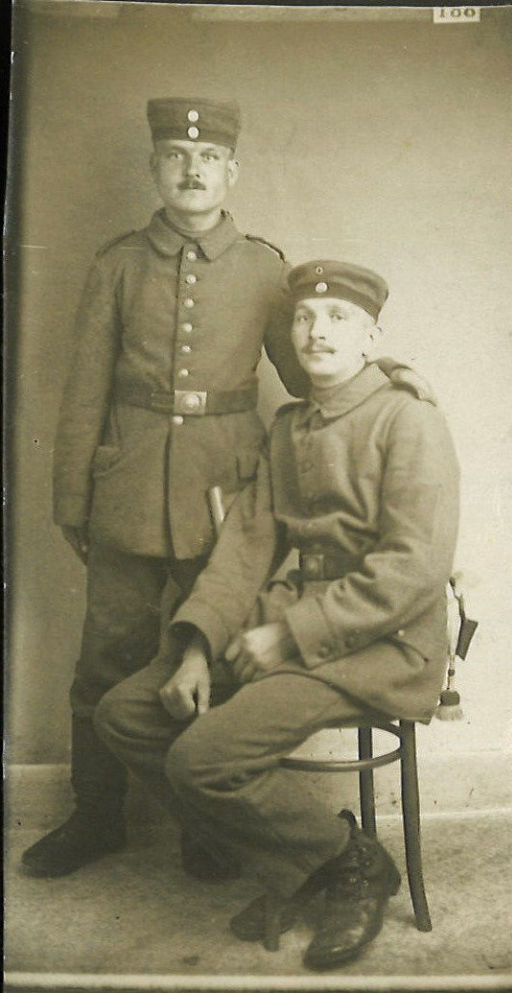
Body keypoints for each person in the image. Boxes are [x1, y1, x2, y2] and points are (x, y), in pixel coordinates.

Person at [94, 260, 460, 971]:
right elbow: (246, 545)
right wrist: (199, 644)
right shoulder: (291, 425)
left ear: (371, 336)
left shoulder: (407, 418)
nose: (317, 330)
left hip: (384, 643)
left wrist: (290, 632)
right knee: (126, 711)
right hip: (296, 626)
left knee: (201, 757)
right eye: (303, 317)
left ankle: (351, 864)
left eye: (338, 318)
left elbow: (412, 569)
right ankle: (309, 860)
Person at [22, 96, 311, 880]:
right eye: (176, 159)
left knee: (211, 658)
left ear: (231, 171)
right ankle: (96, 814)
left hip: (224, 494)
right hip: (125, 486)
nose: (192, 171)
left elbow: (309, 375)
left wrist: (385, 390)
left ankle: (204, 822)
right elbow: (84, 389)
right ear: (154, 169)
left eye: (208, 159)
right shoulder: (118, 263)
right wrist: (72, 497)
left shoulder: (262, 267)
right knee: (107, 655)